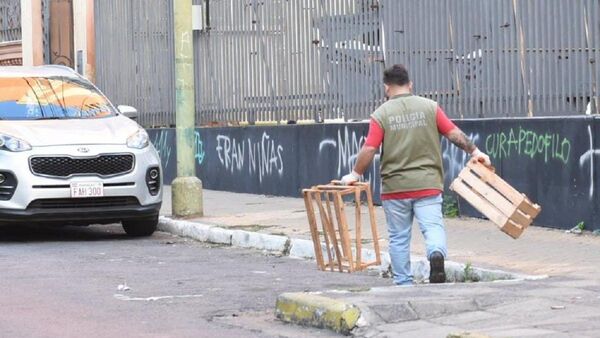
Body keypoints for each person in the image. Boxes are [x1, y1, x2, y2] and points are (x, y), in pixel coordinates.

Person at [340, 64, 491, 285]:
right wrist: (476, 152)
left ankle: (403, 282)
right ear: (410, 85)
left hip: (395, 188)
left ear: (386, 88)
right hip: (428, 184)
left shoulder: (381, 114)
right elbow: (453, 133)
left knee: (399, 238)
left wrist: (355, 173)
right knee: (432, 227)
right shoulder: (430, 107)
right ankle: (435, 253)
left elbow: (370, 148)